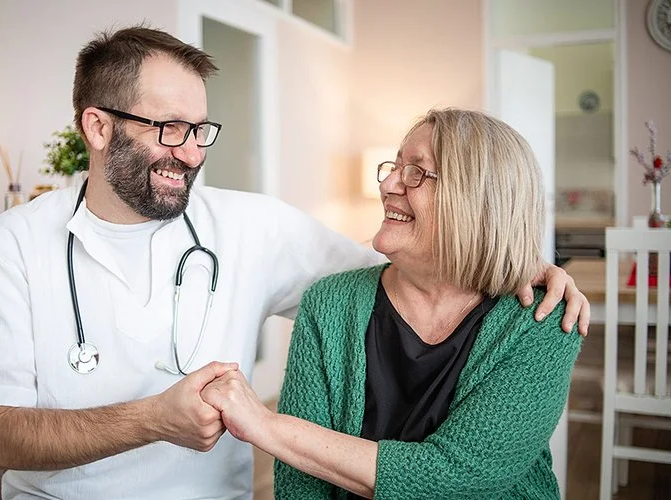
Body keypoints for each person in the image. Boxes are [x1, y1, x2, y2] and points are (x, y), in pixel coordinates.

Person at [0, 25, 587, 499]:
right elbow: (1, 437)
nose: (191, 153)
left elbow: (414, 273)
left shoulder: (251, 226)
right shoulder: (16, 242)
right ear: (99, 128)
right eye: (169, 129)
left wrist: (519, 265)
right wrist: (152, 419)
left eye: (201, 130)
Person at [201, 109, 583, 499]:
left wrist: (267, 427)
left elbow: (458, 478)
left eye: (416, 171)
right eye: (394, 166)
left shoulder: (543, 320)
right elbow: (301, 484)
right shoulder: (329, 303)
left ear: (476, 198)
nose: (387, 183)